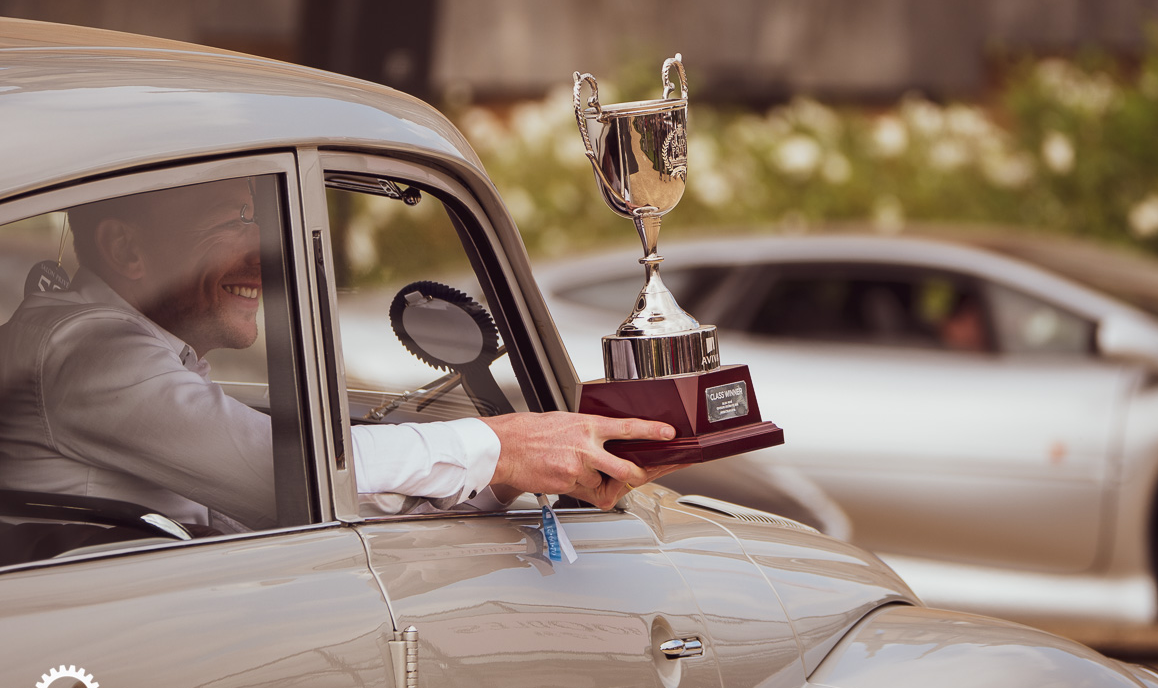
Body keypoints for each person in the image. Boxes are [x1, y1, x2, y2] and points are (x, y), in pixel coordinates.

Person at [0, 178, 677, 533]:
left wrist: (497, 476)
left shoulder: (121, 349)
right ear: (126, 250)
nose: (267, 252)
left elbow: (298, 500)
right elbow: (285, 477)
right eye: (234, 222)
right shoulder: (87, 349)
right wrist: (494, 443)